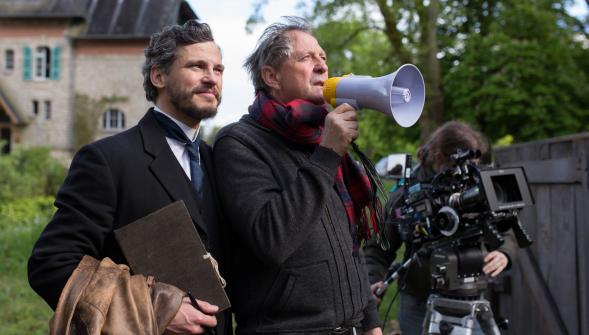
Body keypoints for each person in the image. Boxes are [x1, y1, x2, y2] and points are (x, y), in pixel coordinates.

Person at [28, 20, 231, 334]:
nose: (211, 78)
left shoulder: (217, 159)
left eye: (218, 70)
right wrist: (154, 309)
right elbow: (51, 265)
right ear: (158, 75)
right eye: (196, 66)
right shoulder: (107, 159)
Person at [212, 17, 382, 335]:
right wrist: (327, 154)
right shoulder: (239, 142)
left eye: (323, 58)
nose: (321, 66)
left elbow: (349, 245)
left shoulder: (319, 138)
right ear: (271, 76)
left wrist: (370, 321)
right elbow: (272, 239)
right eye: (306, 58)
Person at [364, 121, 518, 334]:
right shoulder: (407, 193)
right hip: (420, 301)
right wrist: (374, 278)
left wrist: (504, 253)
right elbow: (378, 247)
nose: (466, 172)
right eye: (460, 165)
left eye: (472, 164)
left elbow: (506, 228)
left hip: (471, 299)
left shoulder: (477, 184)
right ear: (438, 157)